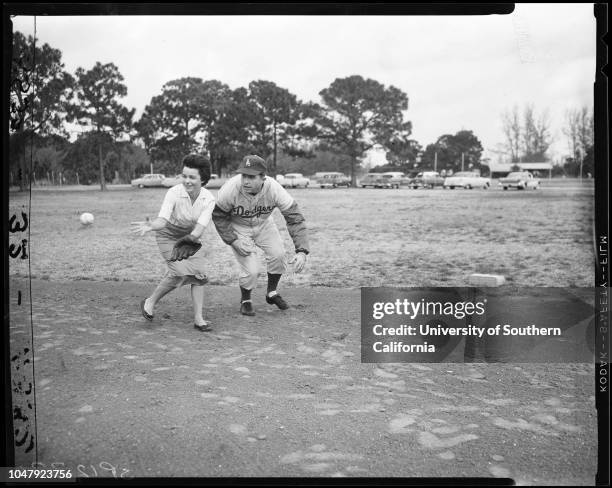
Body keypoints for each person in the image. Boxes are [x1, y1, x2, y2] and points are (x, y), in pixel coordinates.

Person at [212, 155, 309, 316]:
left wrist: (302, 251)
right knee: (252, 270)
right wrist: (234, 241)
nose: (245, 181)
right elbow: (219, 216)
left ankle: (271, 293)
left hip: (264, 224)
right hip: (239, 227)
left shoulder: (274, 188)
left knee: (278, 255)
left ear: (263, 177)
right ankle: (246, 299)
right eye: (243, 175)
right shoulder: (231, 189)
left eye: (251, 176)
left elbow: (295, 218)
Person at [130, 154, 216, 331]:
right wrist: (151, 225)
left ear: (203, 179)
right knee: (178, 273)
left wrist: (191, 239)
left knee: (198, 274)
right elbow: (162, 220)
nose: (186, 180)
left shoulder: (209, 199)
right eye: (184, 176)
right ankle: (150, 301)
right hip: (167, 235)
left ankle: (199, 318)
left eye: (192, 177)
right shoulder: (174, 193)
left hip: (190, 238)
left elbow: (199, 228)